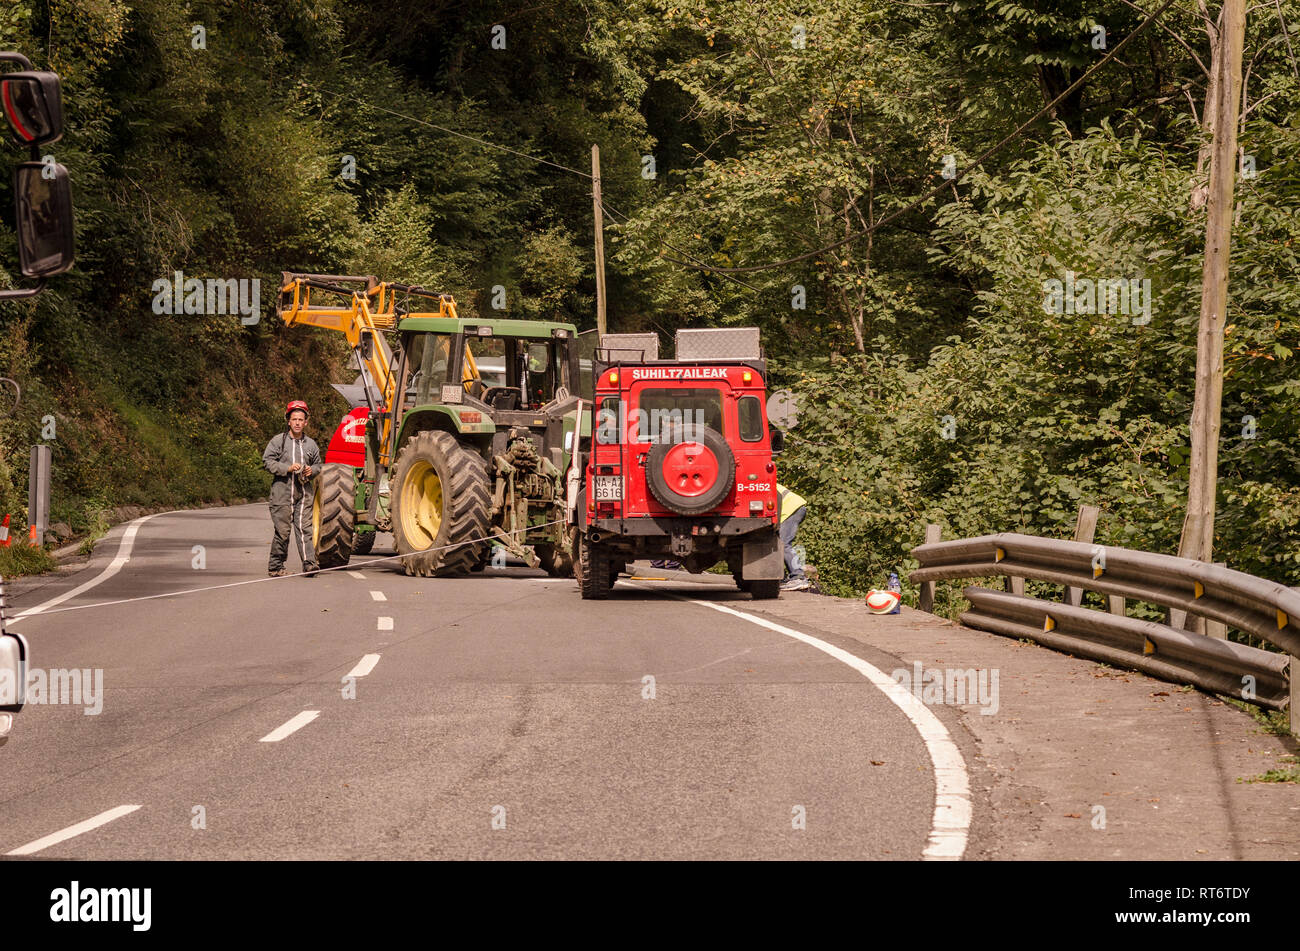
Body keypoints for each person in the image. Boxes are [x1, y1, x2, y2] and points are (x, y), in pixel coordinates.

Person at [263, 400, 323, 577]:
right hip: (282, 493)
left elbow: (319, 464)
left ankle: (309, 564)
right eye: (294, 419)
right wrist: (287, 468)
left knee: (305, 529)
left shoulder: (311, 444)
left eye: (301, 419)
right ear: (288, 421)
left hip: (304, 493)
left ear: (306, 422)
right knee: (283, 532)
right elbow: (267, 462)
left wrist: (312, 470)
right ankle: (275, 566)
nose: (297, 422)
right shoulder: (278, 441)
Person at [777, 483, 809, 591]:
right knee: (779, 544)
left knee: (783, 544)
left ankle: (798, 577)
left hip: (791, 509)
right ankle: (782, 577)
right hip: (794, 508)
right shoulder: (761, 482)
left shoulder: (761, 484)